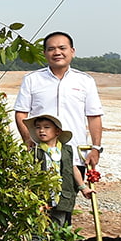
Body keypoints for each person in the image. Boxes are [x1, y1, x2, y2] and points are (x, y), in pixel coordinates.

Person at [14, 31, 105, 172]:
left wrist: (96, 148)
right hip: (40, 153)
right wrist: (28, 139)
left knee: (69, 193)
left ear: (72, 51)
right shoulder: (32, 79)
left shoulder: (85, 81)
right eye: (51, 49)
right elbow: (21, 113)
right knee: (39, 193)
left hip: (75, 154)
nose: (57, 52)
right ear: (44, 53)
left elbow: (94, 116)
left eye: (62, 48)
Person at [24, 113, 93, 241]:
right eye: (38, 128)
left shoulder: (66, 150)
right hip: (41, 199)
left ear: (57, 132)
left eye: (46, 128)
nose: (41, 131)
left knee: (56, 231)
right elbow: (28, 174)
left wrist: (83, 187)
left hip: (61, 197)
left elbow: (73, 169)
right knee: (38, 231)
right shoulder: (35, 151)